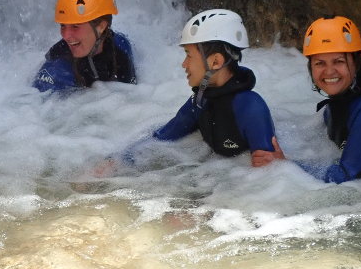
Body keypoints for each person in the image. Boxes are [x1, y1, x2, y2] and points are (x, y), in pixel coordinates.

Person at [251, 15, 361, 183]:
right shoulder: (335, 106)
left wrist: (285, 166)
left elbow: (347, 176)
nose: (329, 71)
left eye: (338, 61)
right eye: (320, 63)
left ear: (355, 63)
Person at [117, 9, 277, 168]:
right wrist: (119, 160)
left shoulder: (250, 108)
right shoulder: (201, 101)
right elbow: (161, 138)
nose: (184, 64)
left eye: (189, 55)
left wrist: (283, 164)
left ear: (215, 62)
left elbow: (275, 172)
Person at [33, 0, 136, 92]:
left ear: (101, 26)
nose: (66, 36)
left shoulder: (121, 47)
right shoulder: (56, 71)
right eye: (63, 26)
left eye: (75, 26)